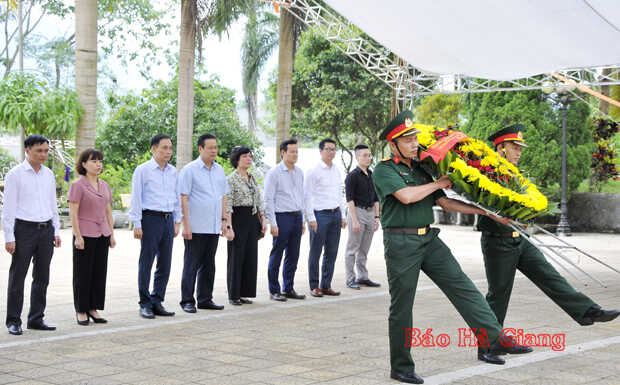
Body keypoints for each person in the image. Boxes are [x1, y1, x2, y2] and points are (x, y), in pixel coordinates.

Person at [372, 111, 531, 384]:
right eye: (407, 140)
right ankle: (401, 367)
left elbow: (445, 203)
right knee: (402, 306)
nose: (413, 143)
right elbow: (407, 196)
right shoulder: (384, 170)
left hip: (428, 239)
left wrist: (487, 213)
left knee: (463, 287)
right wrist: (437, 182)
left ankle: (494, 339)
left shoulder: (421, 169)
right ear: (393, 144)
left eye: (414, 138)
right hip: (401, 242)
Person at [476, 124, 619, 363]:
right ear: (500, 148)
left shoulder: (516, 173)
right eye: (514, 147)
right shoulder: (485, 171)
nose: (519, 152)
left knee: (550, 276)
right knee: (498, 295)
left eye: (520, 147)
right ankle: (488, 346)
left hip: (520, 239)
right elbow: (480, 202)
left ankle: (587, 310)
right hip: (497, 241)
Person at [2, 134, 61, 335]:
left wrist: (56, 229)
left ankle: (36, 318)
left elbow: (52, 204)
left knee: (42, 277)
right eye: (39, 151)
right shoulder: (15, 175)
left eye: (46, 150)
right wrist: (9, 237)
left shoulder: (49, 174)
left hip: (46, 231)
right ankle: (13, 320)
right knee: (18, 277)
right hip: (23, 230)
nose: (43, 154)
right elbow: (8, 209)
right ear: (27, 150)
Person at [129, 134, 182, 319]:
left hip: (168, 220)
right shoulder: (143, 170)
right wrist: (137, 222)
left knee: (165, 263)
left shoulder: (173, 171)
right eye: (164, 148)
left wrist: (177, 221)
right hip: (150, 218)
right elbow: (136, 197)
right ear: (153, 149)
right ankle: (144, 303)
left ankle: (157, 300)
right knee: (147, 262)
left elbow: (176, 197)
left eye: (170, 148)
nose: (168, 151)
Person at [178, 134, 233, 313]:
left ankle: (205, 298)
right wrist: (186, 224)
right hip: (195, 226)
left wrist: (224, 221)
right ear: (200, 149)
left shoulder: (219, 170)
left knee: (209, 264)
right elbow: (183, 198)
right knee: (191, 264)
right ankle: (187, 300)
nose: (214, 151)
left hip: (212, 226)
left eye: (216, 147)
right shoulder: (189, 170)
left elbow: (223, 196)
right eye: (210, 148)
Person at [68, 149, 115, 326]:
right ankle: (81, 309)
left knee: (98, 272)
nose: (98, 164)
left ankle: (93, 308)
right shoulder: (77, 185)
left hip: (102, 233)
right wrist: (77, 236)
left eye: (100, 161)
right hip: (85, 234)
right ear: (84, 164)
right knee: (83, 273)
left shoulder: (104, 185)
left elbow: (108, 210)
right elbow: (73, 213)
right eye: (94, 161)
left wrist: (111, 234)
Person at [264, 139, 306, 302]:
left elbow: (301, 197)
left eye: (297, 151)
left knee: (293, 255)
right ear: (283, 153)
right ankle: (274, 290)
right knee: (277, 254)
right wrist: (272, 223)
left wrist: (302, 219)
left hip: (296, 217)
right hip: (282, 217)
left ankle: (288, 287)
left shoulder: (299, 172)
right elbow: (268, 199)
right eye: (292, 151)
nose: (295, 154)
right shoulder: (274, 173)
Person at [304, 138, 346, 297]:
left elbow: (339, 194)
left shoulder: (336, 170)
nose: (331, 152)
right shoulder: (313, 171)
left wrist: (342, 215)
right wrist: (311, 218)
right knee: (315, 251)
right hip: (320, 215)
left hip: (335, 214)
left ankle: (326, 284)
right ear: (321, 151)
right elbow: (307, 195)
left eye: (334, 149)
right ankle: (314, 286)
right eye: (328, 149)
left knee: (332, 251)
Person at [225, 146, 266, 306]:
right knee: (236, 257)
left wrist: (262, 219)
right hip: (238, 219)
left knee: (250, 257)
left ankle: (244, 293)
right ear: (237, 159)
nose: (248, 159)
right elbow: (228, 204)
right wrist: (228, 226)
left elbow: (259, 200)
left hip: (252, 218)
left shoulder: (252, 177)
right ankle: (234, 294)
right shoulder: (231, 179)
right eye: (245, 157)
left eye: (250, 156)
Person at [344, 144, 381, 290]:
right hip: (357, 212)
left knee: (364, 249)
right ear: (357, 157)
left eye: (369, 155)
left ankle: (363, 277)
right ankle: (350, 279)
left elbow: (376, 197)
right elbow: (350, 200)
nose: (368, 158)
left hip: (371, 213)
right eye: (364, 155)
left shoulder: (372, 175)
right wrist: (354, 220)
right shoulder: (352, 176)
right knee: (352, 248)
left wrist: (377, 217)